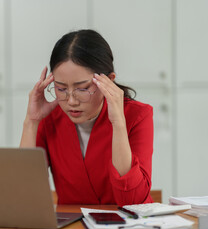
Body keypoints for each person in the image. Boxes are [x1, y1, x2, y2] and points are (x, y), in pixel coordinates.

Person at [20, 29, 153, 206]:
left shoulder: (137, 115)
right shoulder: (49, 118)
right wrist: (31, 121)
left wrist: (118, 123)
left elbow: (133, 201)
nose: (71, 101)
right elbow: (25, 195)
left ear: (109, 80)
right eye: (60, 89)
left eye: (82, 88)